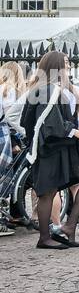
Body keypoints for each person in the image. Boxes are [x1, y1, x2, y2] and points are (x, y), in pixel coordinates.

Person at [10, 51, 79, 249]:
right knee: (48, 193)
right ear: (55, 67)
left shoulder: (60, 88)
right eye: (65, 63)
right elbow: (50, 123)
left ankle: (69, 227)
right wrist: (69, 132)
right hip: (51, 147)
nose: (68, 66)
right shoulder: (44, 90)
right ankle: (44, 237)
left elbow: (62, 117)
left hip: (68, 147)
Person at [0, 61, 29, 235]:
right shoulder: (9, 91)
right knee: (4, 177)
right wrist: (23, 132)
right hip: (3, 135)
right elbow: (11, 118)